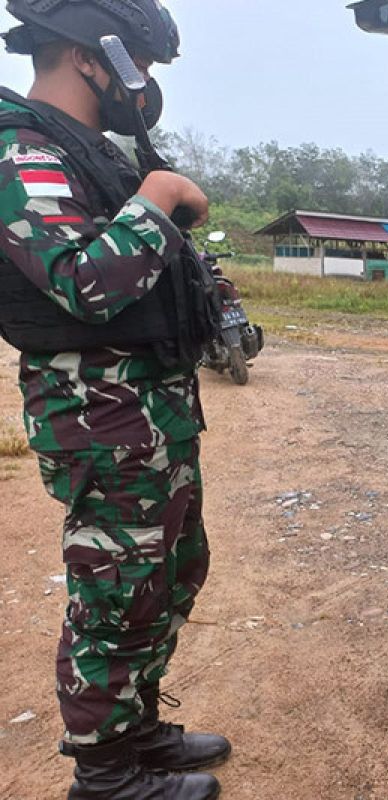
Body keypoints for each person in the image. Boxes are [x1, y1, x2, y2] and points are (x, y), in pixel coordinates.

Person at [0, 1, 228, 798]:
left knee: (172, 571)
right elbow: (83, 282)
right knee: (117, 589)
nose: (148, 83)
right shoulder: (18, 147)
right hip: (97, 411)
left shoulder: (85, 150)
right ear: (94, 57)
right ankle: (103, 776)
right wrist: (158, 197)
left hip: (149, 407)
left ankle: (135, 735)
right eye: (142, 63)